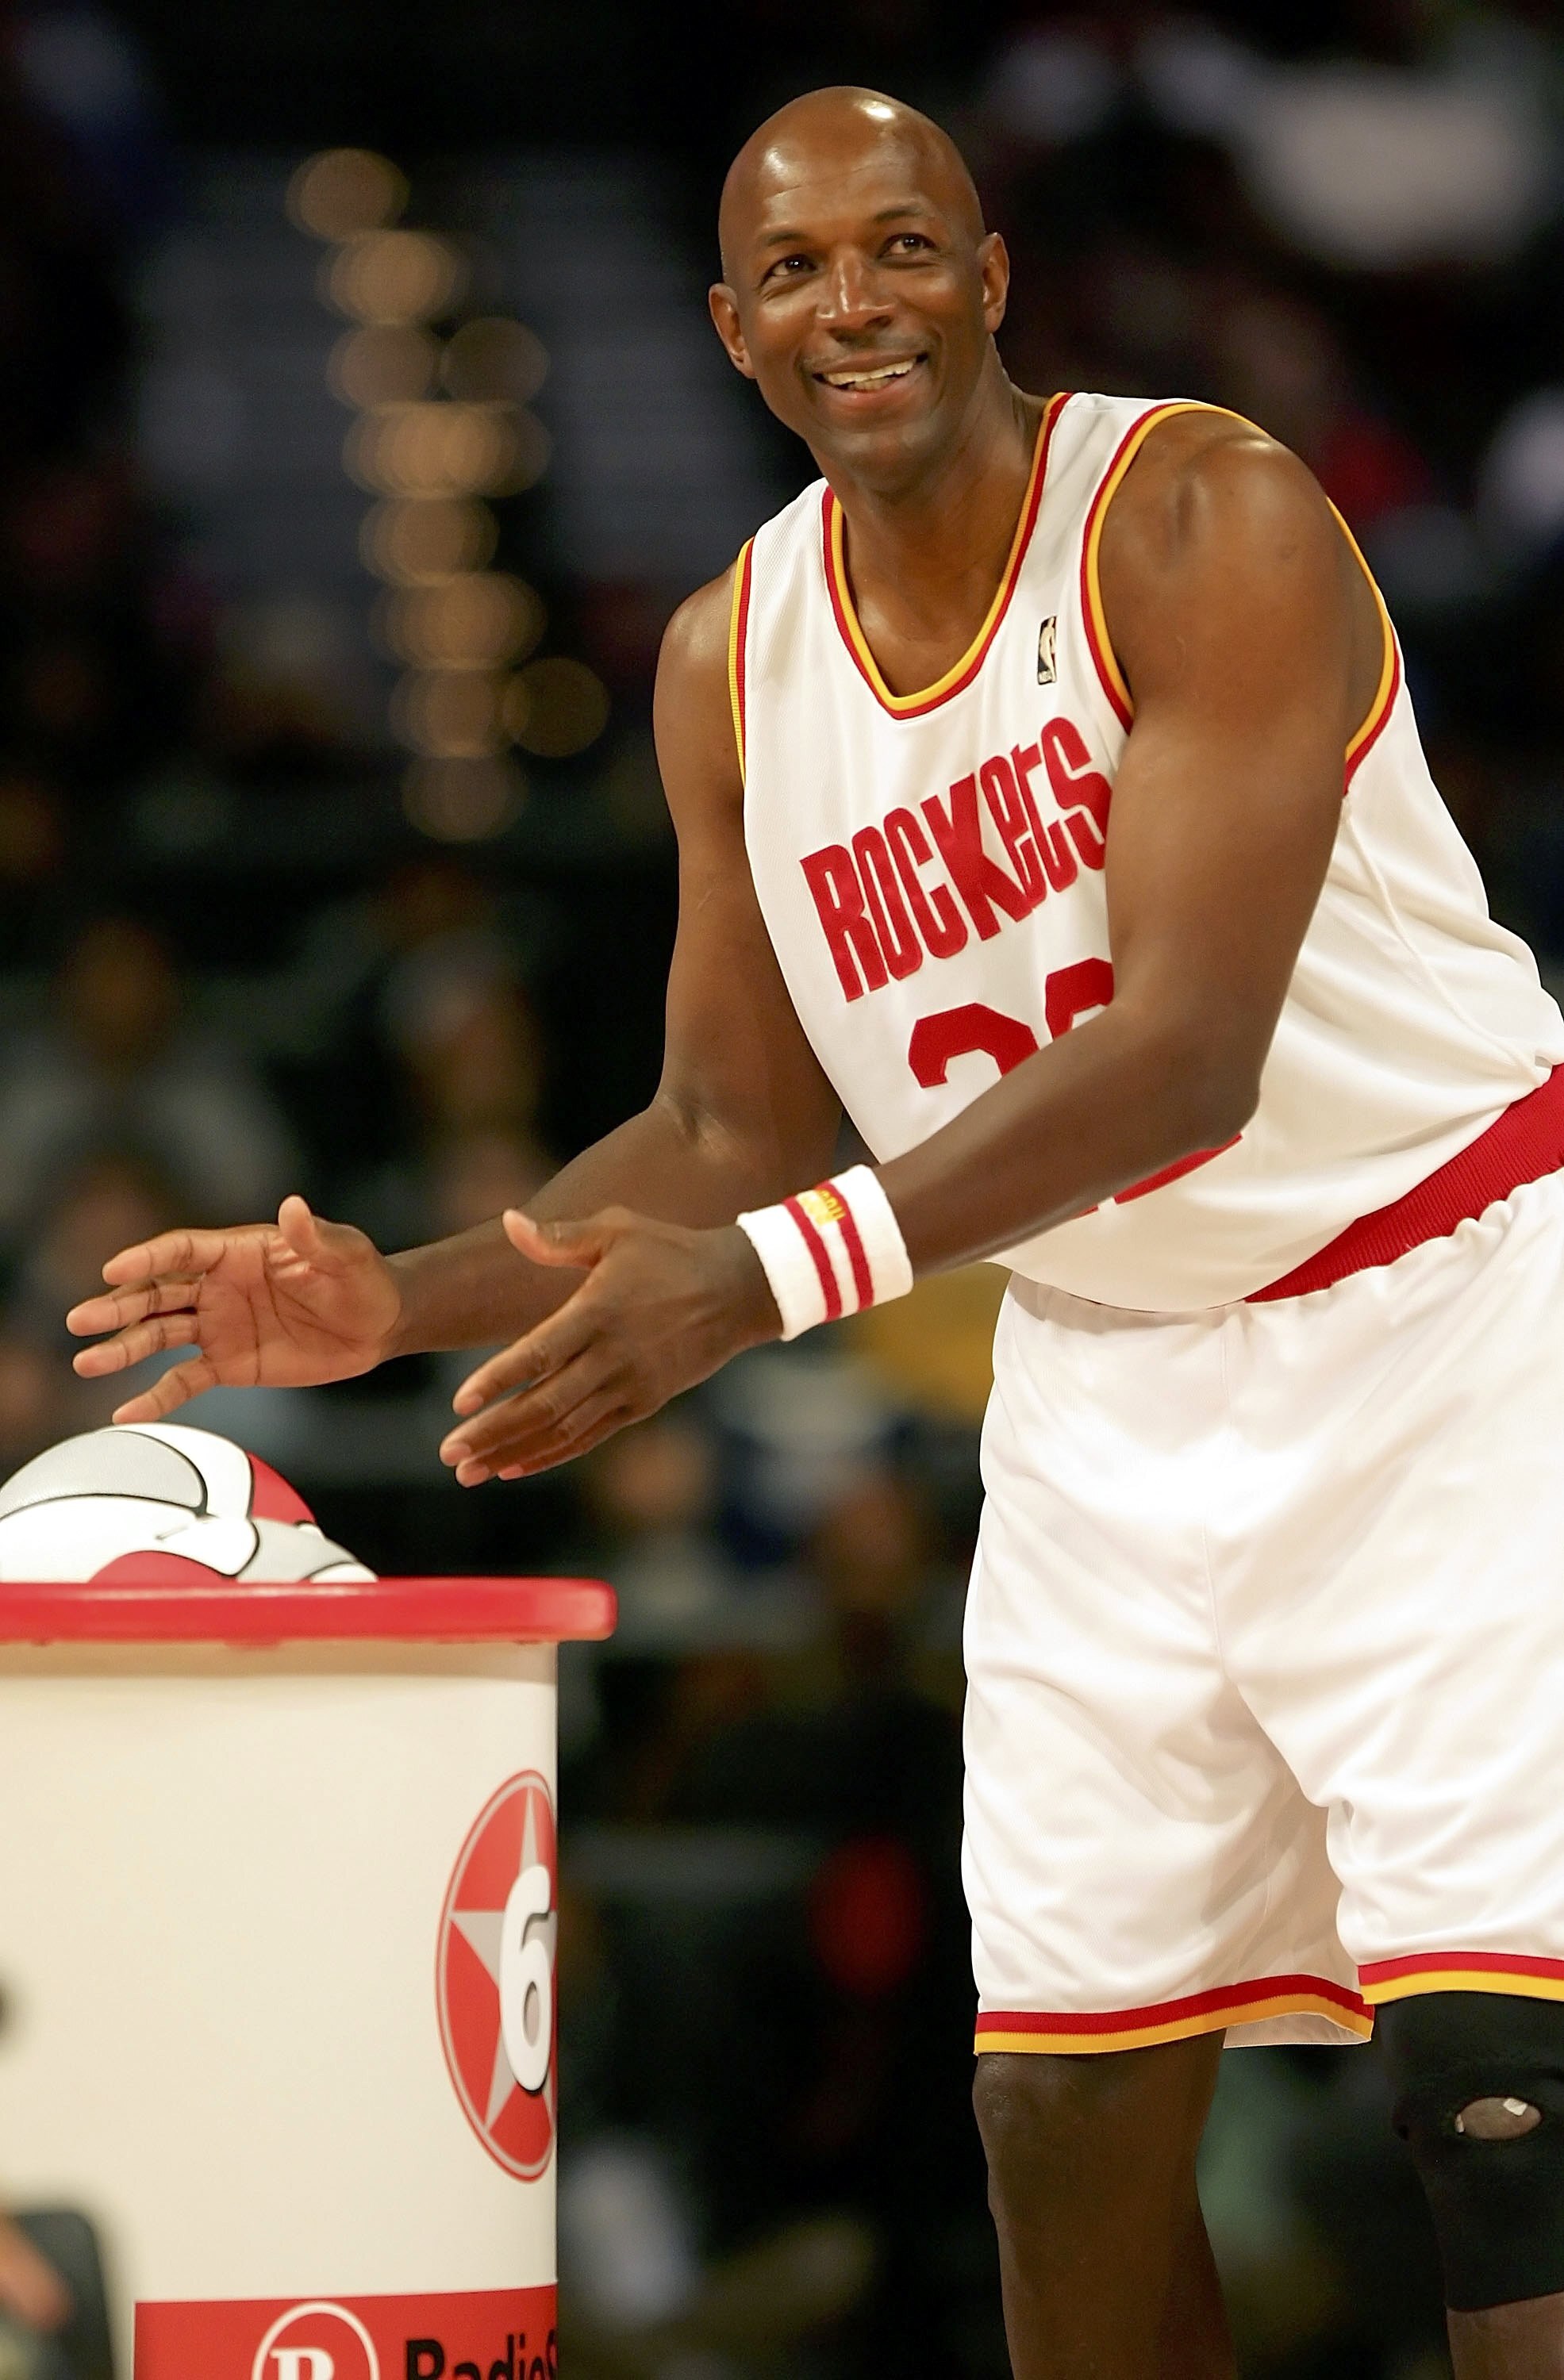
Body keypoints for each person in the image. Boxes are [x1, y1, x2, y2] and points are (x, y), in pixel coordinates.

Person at [67, 86, 1564, 2380]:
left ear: (984, 273)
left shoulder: (1195, 516)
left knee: (1496, 2109)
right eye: (791, 269)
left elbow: (1181, 1060)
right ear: (729, 328)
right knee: (1057, 2120)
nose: (848, 300)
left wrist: (772, 1281)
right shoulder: (725, 657)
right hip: (1109, 1382)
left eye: (895, 247)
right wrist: (394, 1296)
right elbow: (716, 1123)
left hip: (1443, 1313)